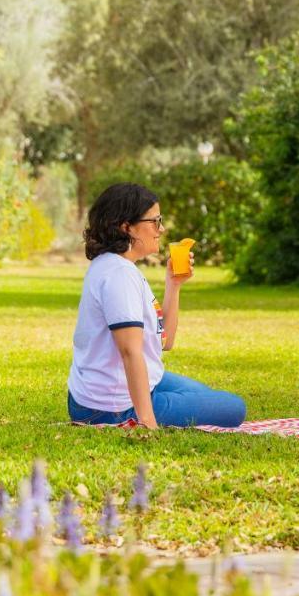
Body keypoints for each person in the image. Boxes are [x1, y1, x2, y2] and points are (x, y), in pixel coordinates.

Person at [67, 183, 246, 429]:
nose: (161, 228)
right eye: (155, 221)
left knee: (208, 396)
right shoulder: (119, 274)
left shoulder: (117, 266)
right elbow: (130, 351)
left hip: (110, 394)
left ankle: (166, 405)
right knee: (234, 407)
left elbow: (166, 341)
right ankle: (146, 411)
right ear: (126, 227)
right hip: (112, 407)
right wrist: (147, 421)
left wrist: (174, 284)